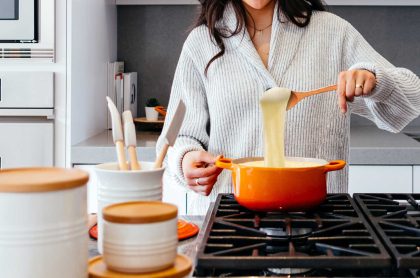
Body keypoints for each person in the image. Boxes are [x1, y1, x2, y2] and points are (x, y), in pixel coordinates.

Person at [156, 0, 420, 215]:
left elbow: (413, 98)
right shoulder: (201, 43)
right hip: (229, 220)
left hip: (320, 219)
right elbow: (178, 137)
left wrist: (375, 81)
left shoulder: (333, 33)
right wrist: (186, 158)